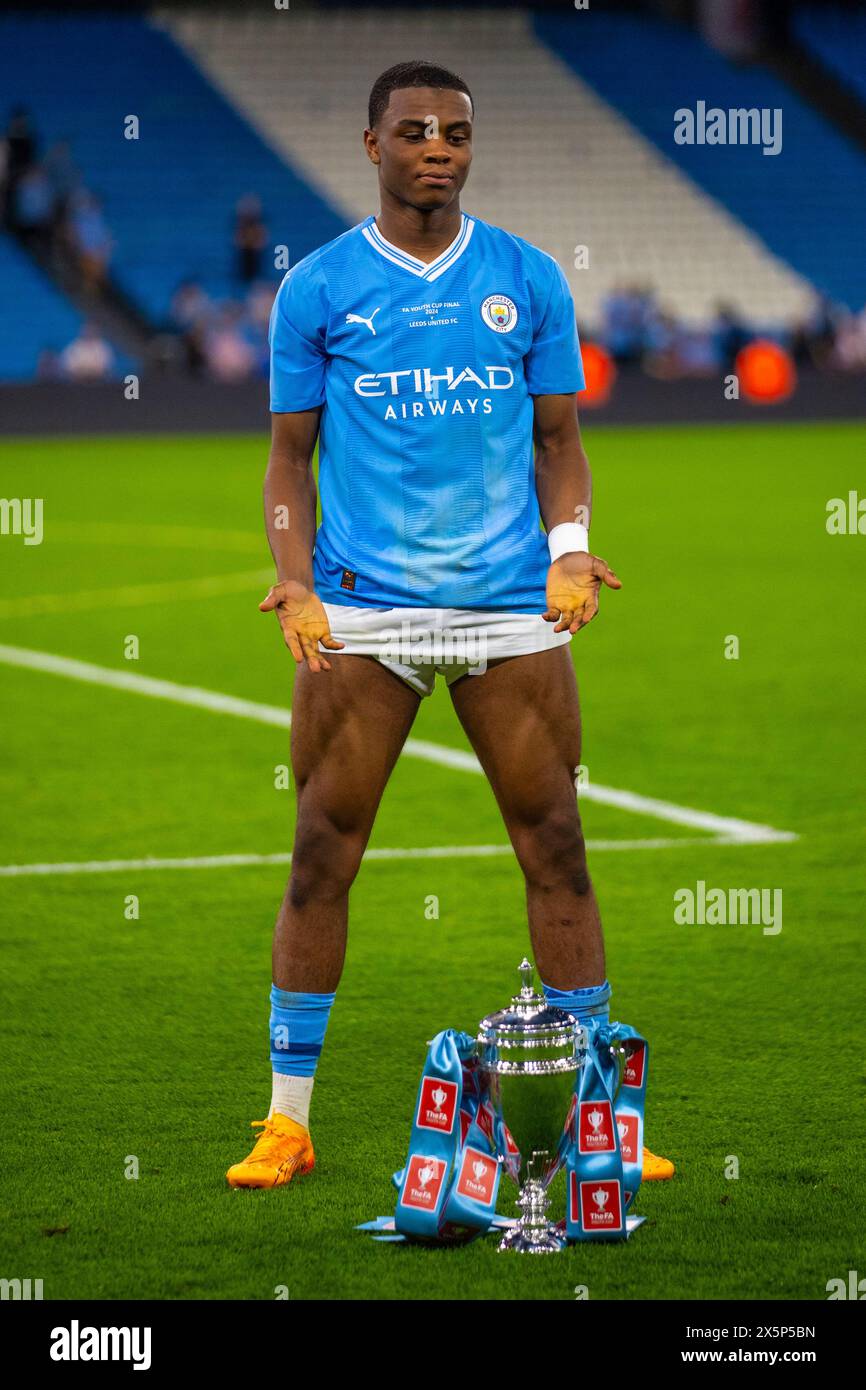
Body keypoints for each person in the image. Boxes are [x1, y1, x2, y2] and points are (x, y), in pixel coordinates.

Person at [227, 61, 674, 1191]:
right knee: (322, 855)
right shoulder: (318, 288)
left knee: (558, 848)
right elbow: (288, 457)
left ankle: (594, 1123)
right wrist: (294, 575)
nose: (438, 147)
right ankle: (287, 1121)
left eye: (457, 132)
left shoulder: (524, 278)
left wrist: (568, 555)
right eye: (415, 130)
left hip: (509, 611)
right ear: (369, 143)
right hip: (365, 614)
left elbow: (560, 440)